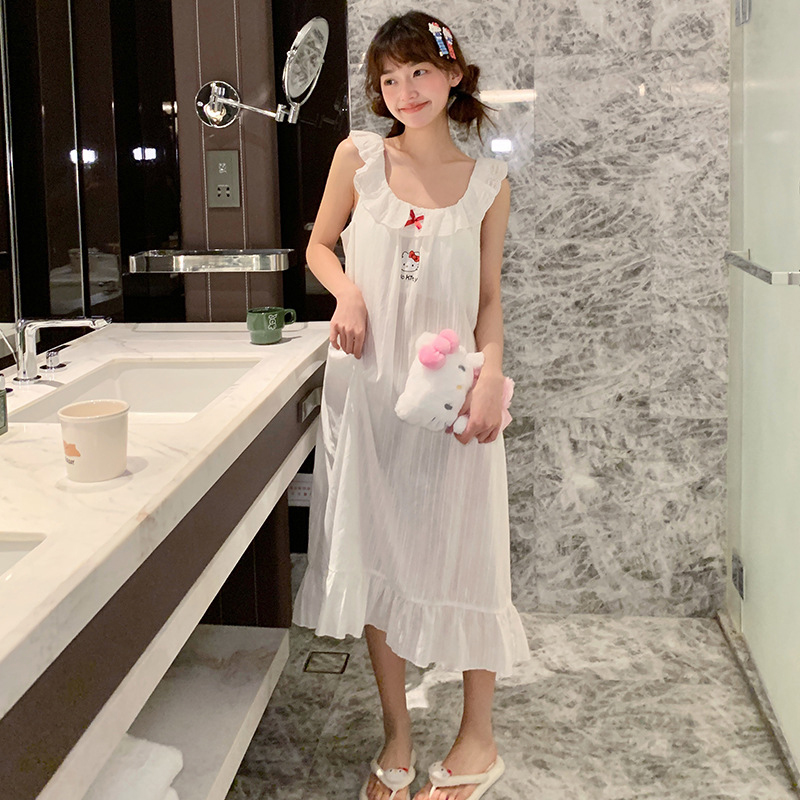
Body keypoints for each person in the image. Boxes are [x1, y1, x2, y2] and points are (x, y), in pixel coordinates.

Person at [292, 10, 531, 800]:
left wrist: (492, 376)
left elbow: (488, 298)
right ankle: (396, 732)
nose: (405, 90)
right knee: (378, 549)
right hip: (367, 390)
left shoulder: (488, 183)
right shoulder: (359, 159)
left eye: (419, 71)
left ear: (454, 74)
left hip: (452, 396)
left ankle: (478, 738)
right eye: (389, 78)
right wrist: (349, 293)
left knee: (470, 548)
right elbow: (319, 245)